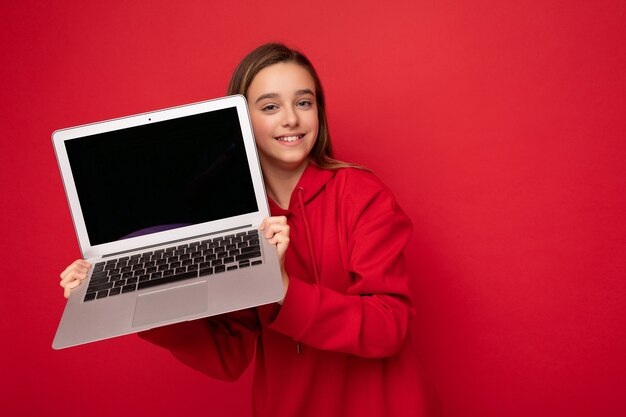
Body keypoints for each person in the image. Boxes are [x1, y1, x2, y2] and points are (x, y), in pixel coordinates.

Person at [59, 43, 441, 417]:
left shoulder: (361, 193)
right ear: (241, 119)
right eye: (270, 106)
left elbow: (388, 325)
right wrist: (134, 303)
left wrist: (282, 287)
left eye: (304, 102)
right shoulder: (230, 223)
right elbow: (229, 356)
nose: (291, 119)